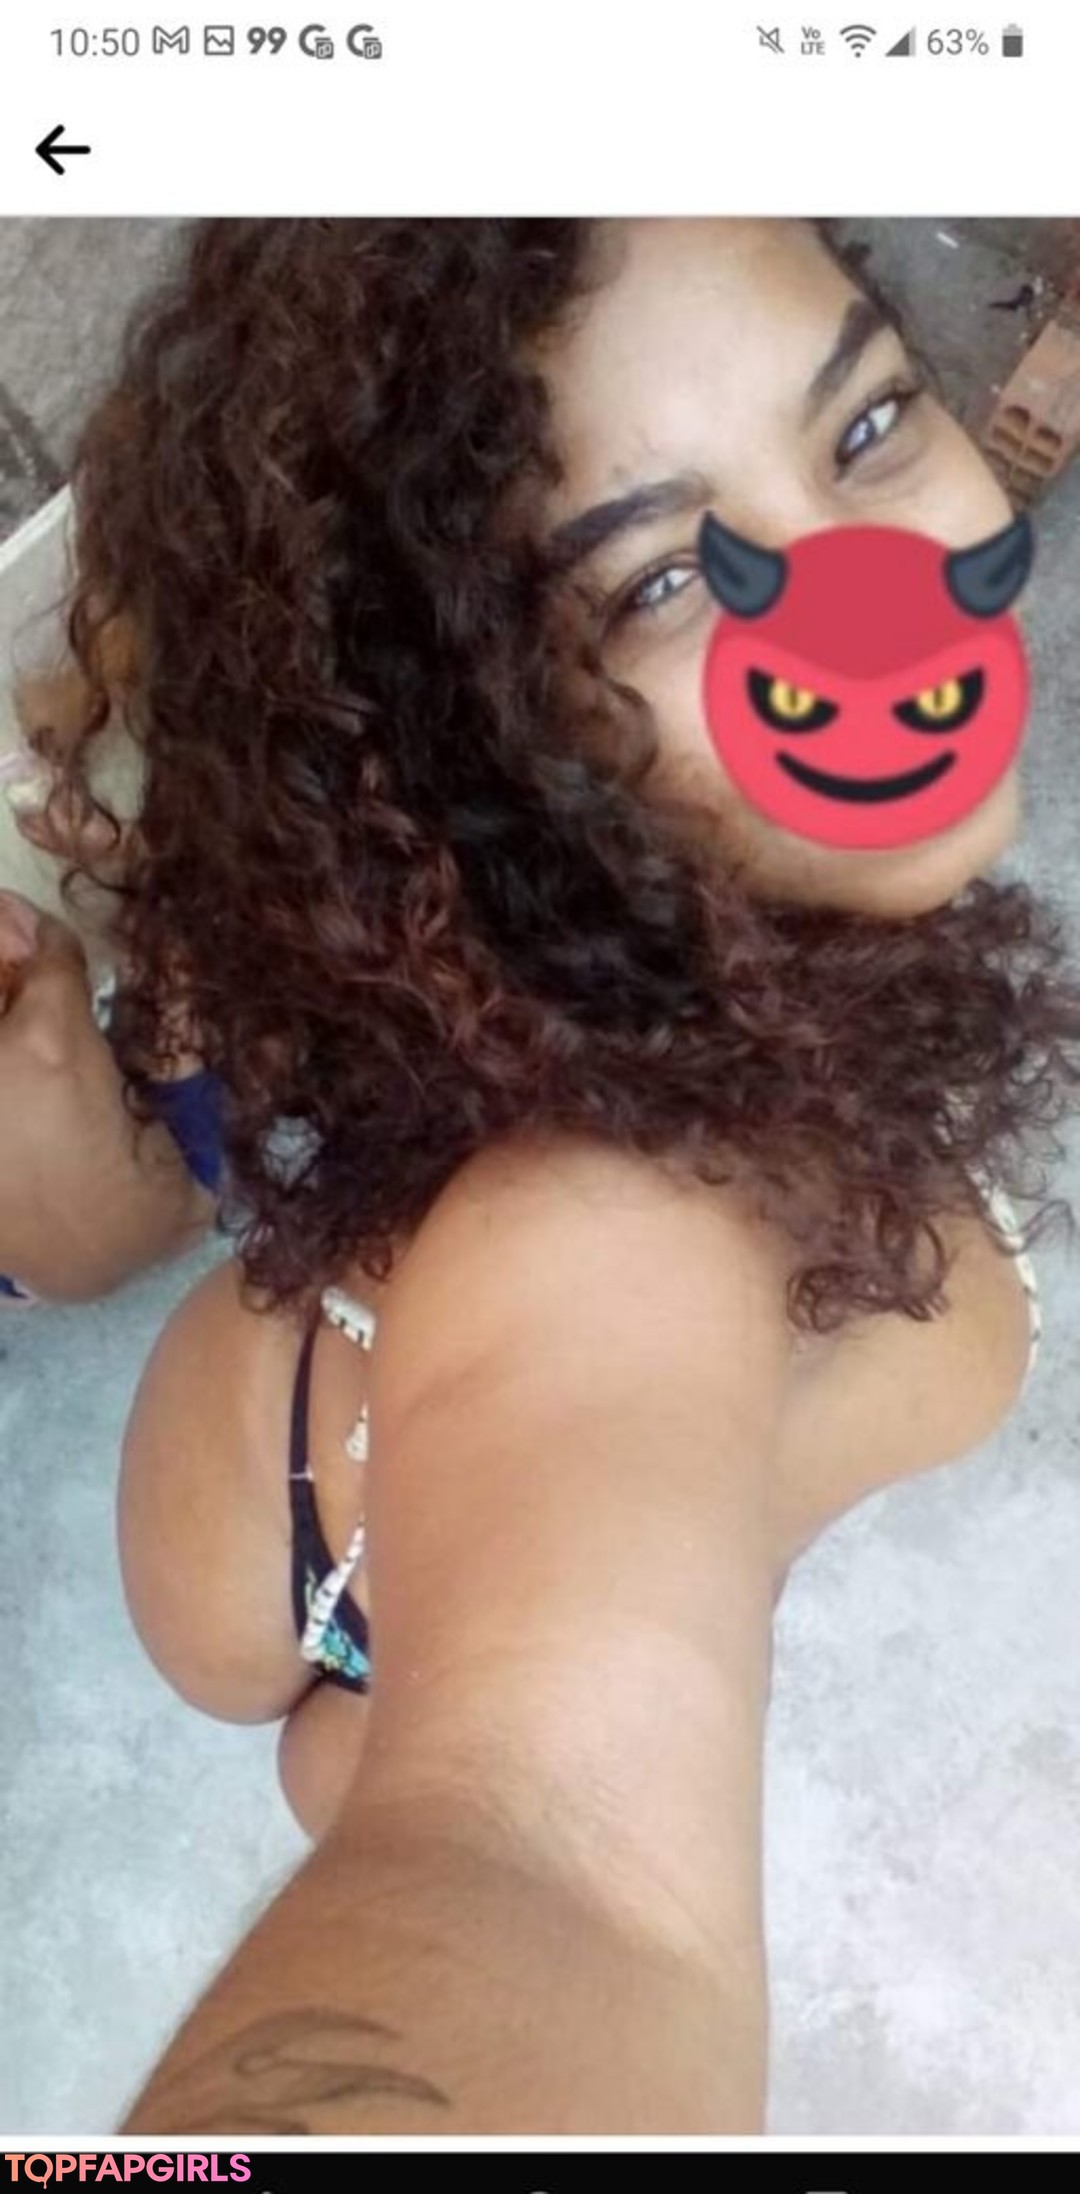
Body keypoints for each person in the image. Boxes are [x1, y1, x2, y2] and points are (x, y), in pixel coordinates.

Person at [28, 216, 1080, 2133]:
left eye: (861, 427)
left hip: (344, 1470)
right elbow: (552, 1860)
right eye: (670, 578)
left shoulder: (697, 945)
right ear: (483, 750)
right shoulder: (626, 1220)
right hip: (286, 1549)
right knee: (333, 1754)